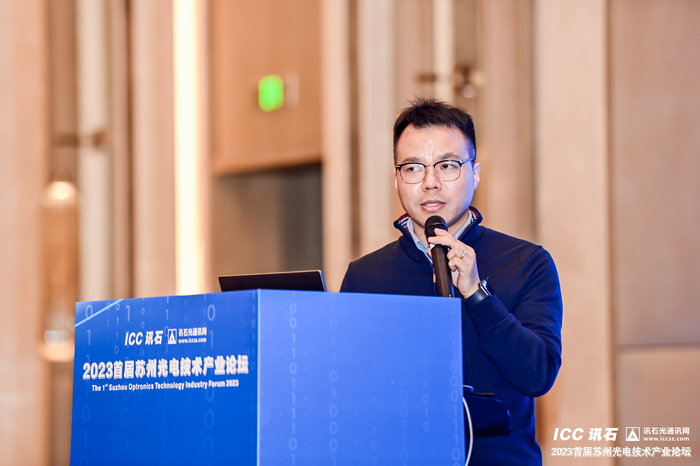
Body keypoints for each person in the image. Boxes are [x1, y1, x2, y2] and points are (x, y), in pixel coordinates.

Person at [340, 98, 563, 464]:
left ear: (476, 173)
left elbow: (538, 374)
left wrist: (477, 294)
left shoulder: (527, 262)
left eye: (447, 165)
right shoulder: (366, 276)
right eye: (413, 168)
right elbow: (349, 392)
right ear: (396, 179)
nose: (430, 183)